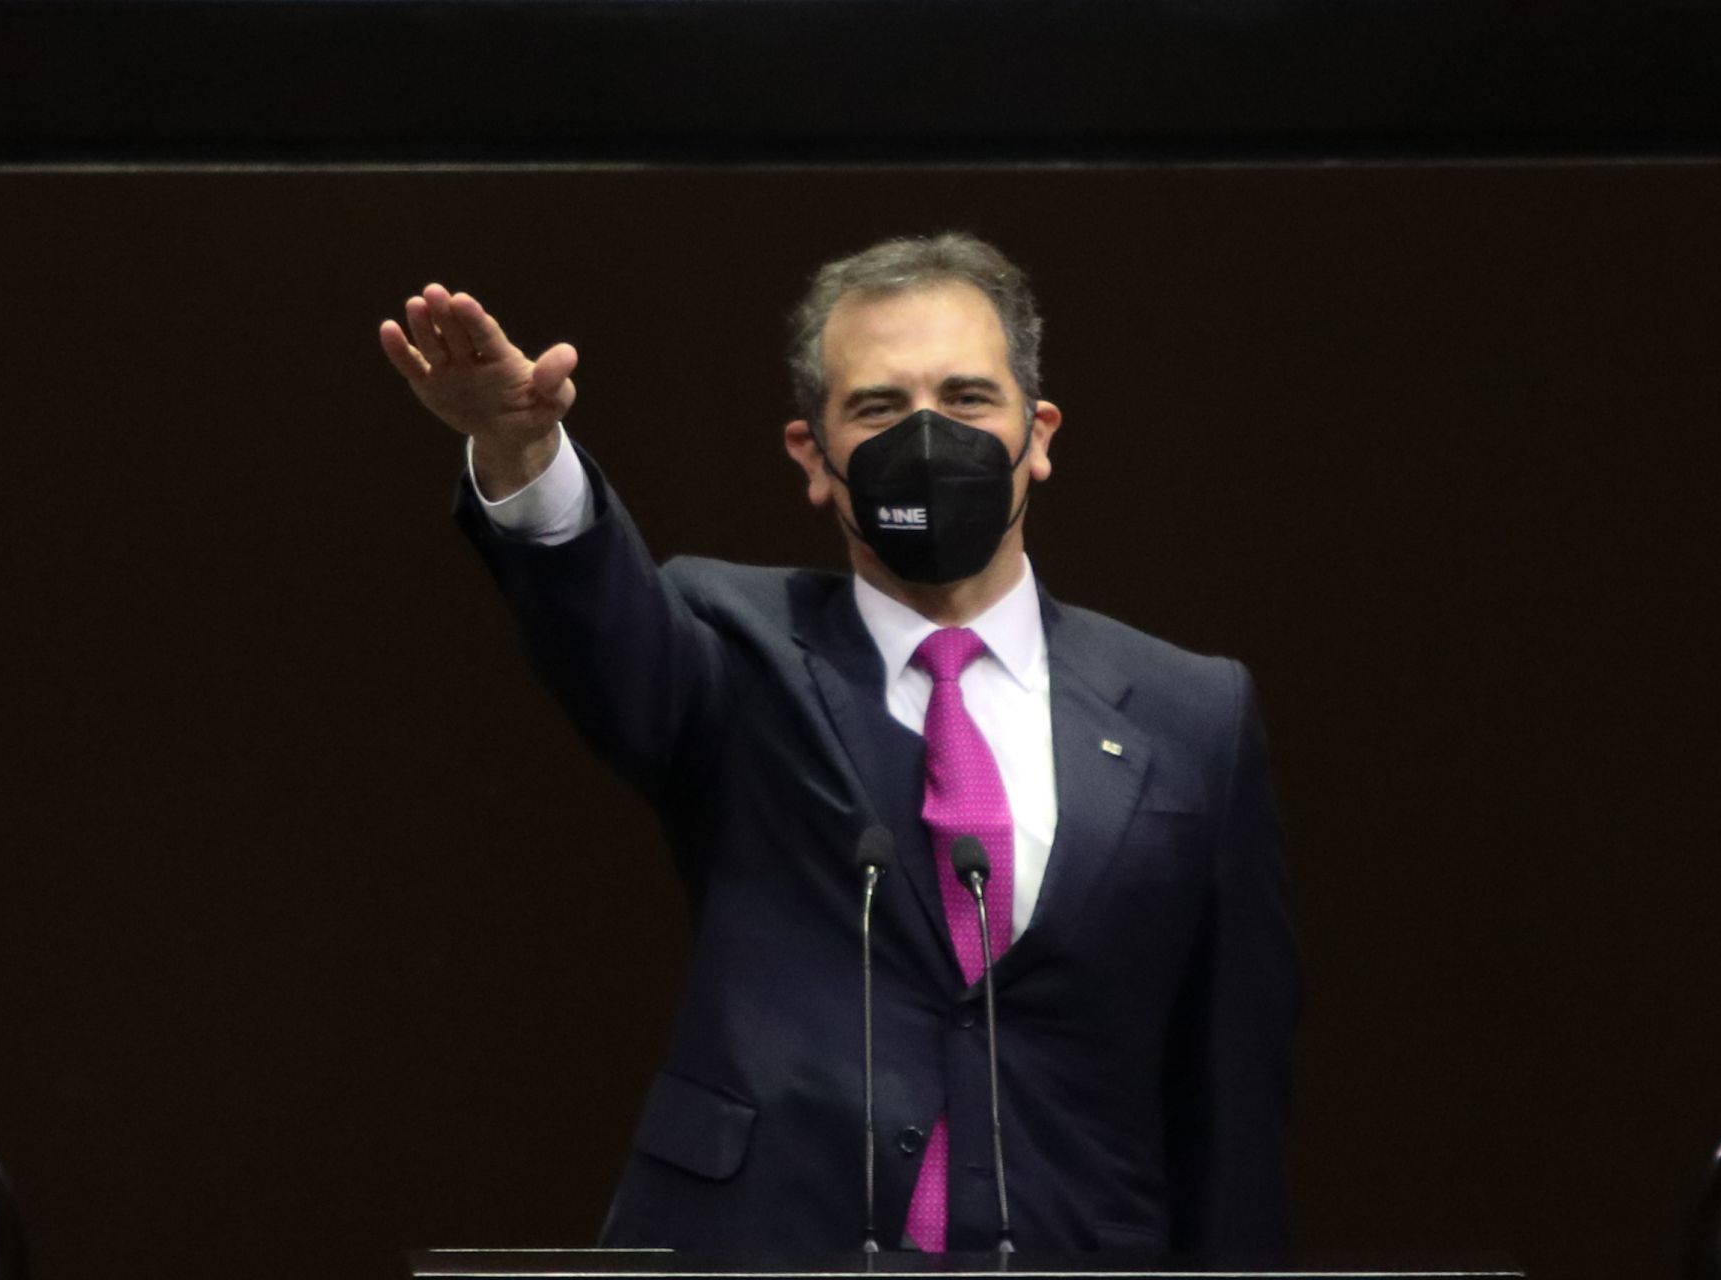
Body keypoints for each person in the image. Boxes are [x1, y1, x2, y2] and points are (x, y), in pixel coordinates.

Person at [378, 233, 1299, 1256]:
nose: (929, 436)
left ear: (1038, 434)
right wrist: (523, 454)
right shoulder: (732, 646)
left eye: (967, 398)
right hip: (771, 1242)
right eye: (876, 407)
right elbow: (605, 632)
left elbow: (1233, 1079)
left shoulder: (1191, 712)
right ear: (811, 454)